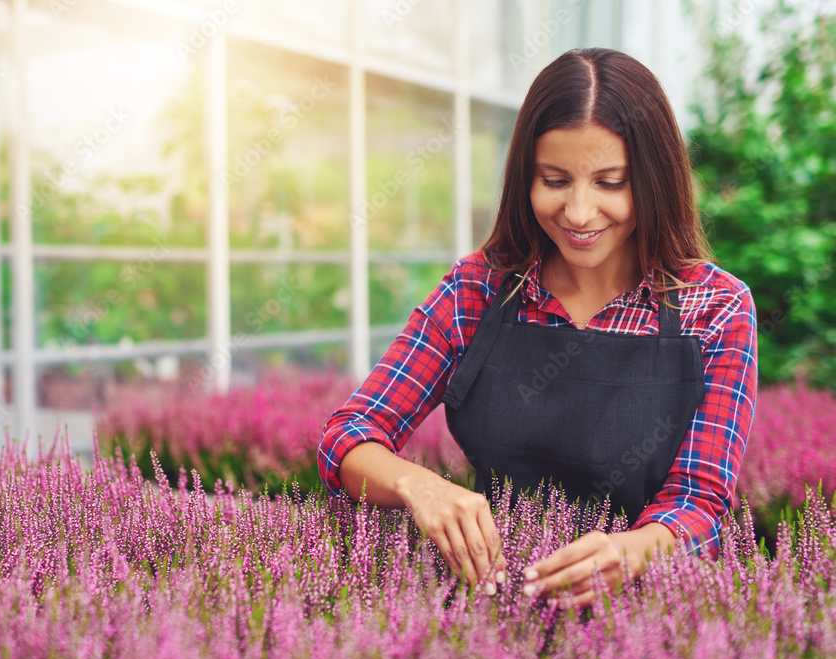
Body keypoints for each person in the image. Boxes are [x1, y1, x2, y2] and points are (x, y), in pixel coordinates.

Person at [317, 47, 757, 609]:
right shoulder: (477, 289)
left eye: (609, 182)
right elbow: (348, 435)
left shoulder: (715, 307)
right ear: (525, 177)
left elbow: (700, 502)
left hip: (648, 612)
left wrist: (634, 551)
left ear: (654, 181)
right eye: (555, 180)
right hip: (491, 596)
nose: (577, 211)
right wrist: (417, 486)